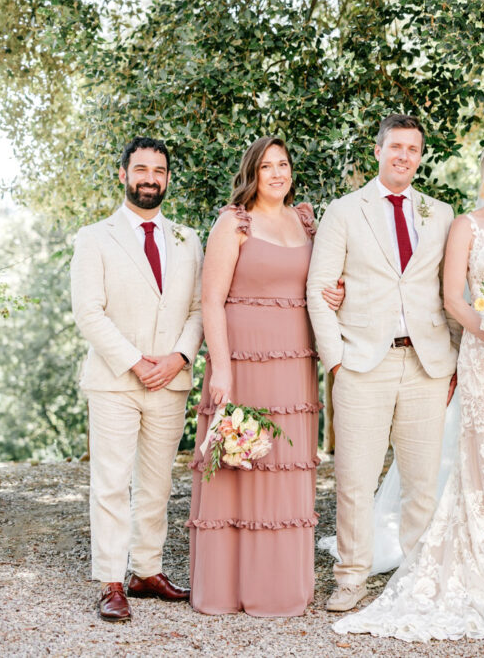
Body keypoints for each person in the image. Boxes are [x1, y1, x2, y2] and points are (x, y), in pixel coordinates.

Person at [331, 137, 484, 641]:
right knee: (481, 460)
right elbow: (452, 298)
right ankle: (479, 558)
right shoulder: (464, 225)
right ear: (483, 175)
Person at [306, 114, 461, 613]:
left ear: (420, 156)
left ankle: (415, 578)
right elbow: (318, 289)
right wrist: (336, 363)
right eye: (395, 146)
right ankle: (350, 575)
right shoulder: (345, 211)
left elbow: (451, 290)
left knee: (421, 480)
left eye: (413, 149)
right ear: (378, 151)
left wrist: (454, 357)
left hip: (426, 363)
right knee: (355, 478)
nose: (404, 156)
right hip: (362, 364)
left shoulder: (441, 214)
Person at [188, 136, 334, 617]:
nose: (277, 173)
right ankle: (227, 590)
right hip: (243, 362)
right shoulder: (234, 222)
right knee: (238, 464)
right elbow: (211, 300)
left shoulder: (306, 221)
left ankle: (279, 589)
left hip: (294, 366)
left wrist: (340, 291)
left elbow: (320, 283)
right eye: (267, 165)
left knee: (286, 467)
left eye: (284, 164)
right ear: (252, 172)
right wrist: (222, 370)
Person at [70, 137, 203, 622]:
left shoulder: (190, 239)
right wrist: (135, 362)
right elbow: (88, 312)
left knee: (156, 483)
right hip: (114, 381)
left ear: (168, 178)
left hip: (170, 380)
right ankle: (110, 579)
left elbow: (197, 309)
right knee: (110, 482)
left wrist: (179, 357)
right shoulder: (94, 237)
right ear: (122, 174)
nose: (151, 177)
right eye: (141, 169)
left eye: (159, 170)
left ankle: (146, 570)